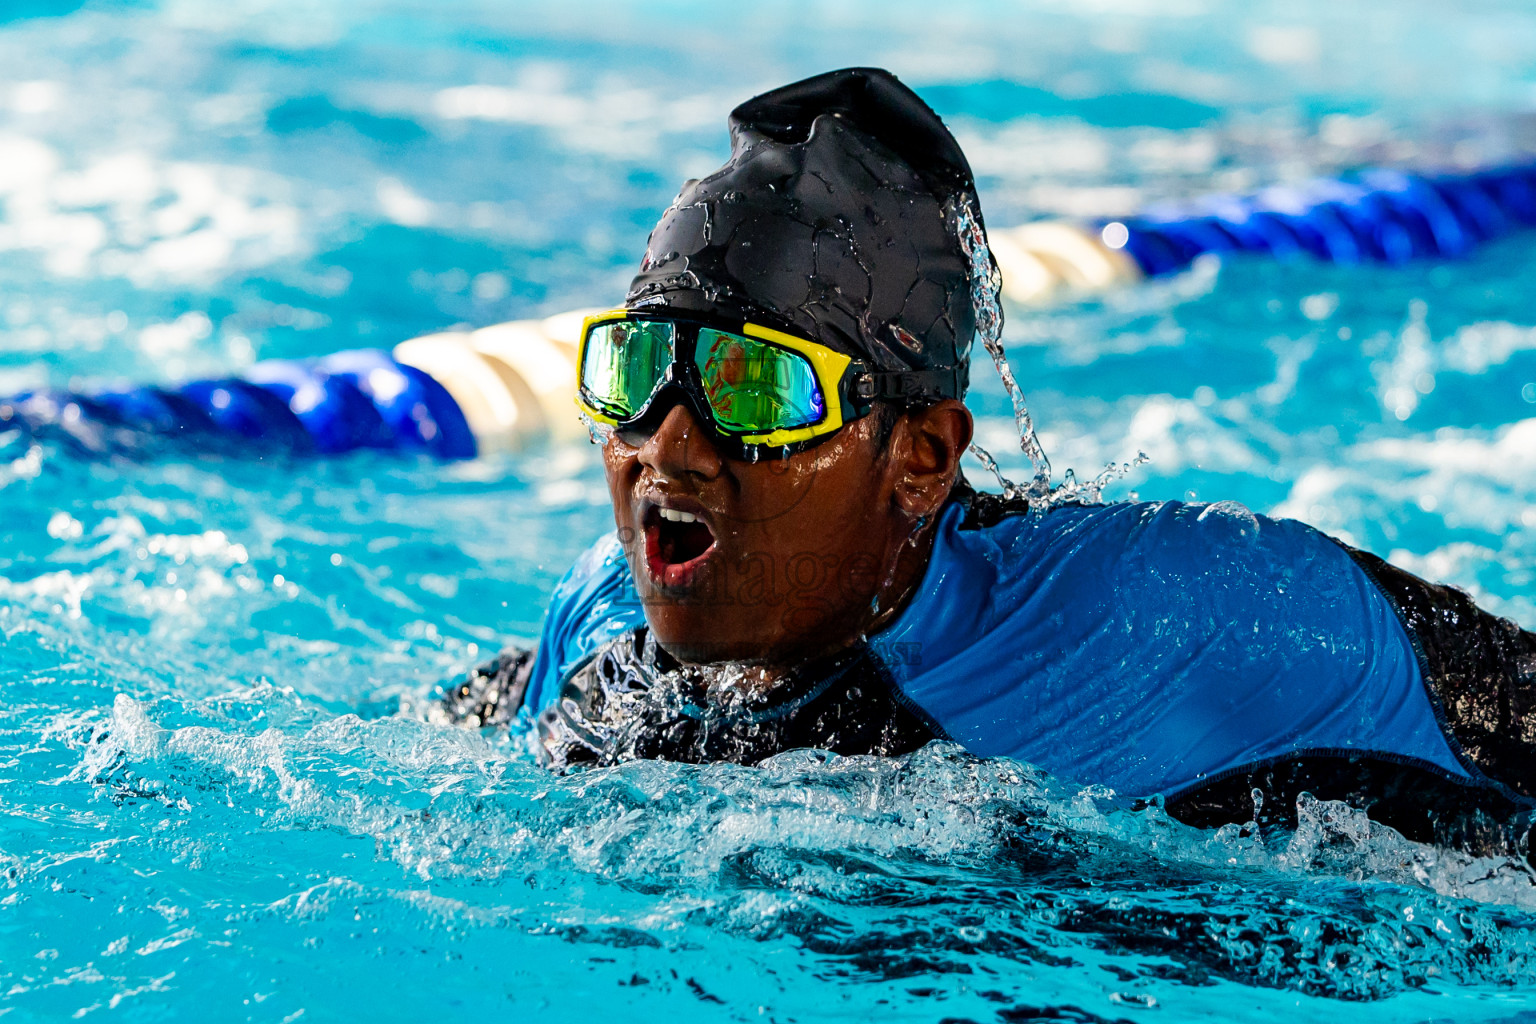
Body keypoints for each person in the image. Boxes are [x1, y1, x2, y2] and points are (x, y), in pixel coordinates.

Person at [438, 68, 1536, 853]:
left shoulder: (1151, 614)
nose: (666, 445)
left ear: (919, 456)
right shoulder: (597, 631)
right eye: (634, 372)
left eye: (752, 389)